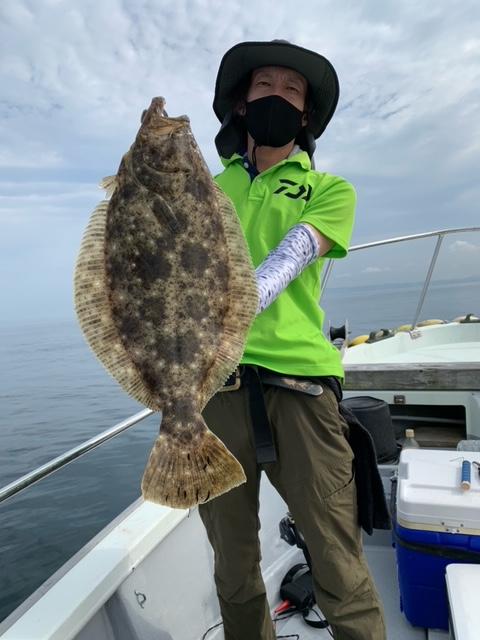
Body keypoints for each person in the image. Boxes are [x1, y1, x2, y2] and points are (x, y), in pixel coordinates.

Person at [199, 40, 387, 640]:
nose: (277, 95)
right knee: (233, 567)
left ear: (306, 113)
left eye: (292, 88)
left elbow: (289, 258)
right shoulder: (204, 192)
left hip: (301, 386)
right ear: (242, 103)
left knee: (337, 561)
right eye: (265, 84)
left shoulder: (328, 189)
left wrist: (231, 303)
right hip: (214, 389)